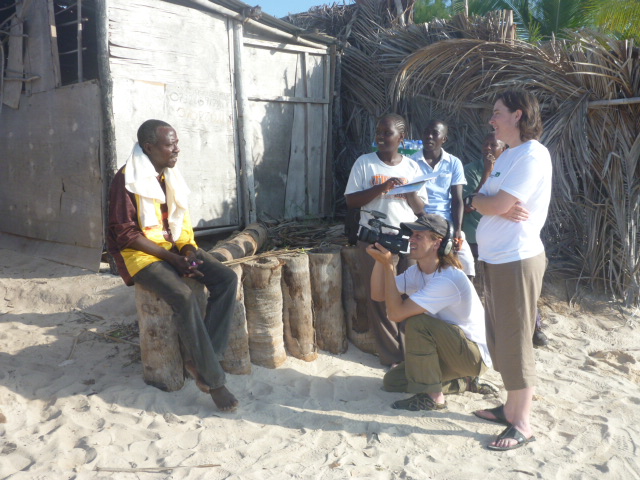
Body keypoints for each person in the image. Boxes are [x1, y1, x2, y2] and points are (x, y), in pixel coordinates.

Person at [107, 119, 239, 412]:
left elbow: (181, 221)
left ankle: (205, 359)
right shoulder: (127, 178)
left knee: (226, 279)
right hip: (142, 256)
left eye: (177, 142)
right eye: (170, 144)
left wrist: (189, 250)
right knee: (183, 295)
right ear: (150, 147)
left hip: (173, 249)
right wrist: (173, 260)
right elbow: (126, 234)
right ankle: (214, 382)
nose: (176, 149)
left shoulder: (170, 175)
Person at [468, 89, 551, 450]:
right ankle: (509, 407)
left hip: (517, 259)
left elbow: (496, 201)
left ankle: (522, 422)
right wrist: (488, 204)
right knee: (502, 337)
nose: (492, 119)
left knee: (516, 340)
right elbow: (479, 201)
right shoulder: (508, 155)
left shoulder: (533, 154)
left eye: (498, 112)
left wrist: (492, 205)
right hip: (499, 259)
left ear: (518, 116)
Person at [366, 214, 495, 411]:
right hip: (450, 350)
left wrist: (388, 266)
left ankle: (433, 397)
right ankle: (464, 382)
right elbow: (378, 294)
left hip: (473, 355)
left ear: (437, 243)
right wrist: (379, 260)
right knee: (393, 381)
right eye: (412, 235)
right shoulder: (418, 271)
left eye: (419, 236)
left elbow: (395, 314)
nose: (411, 239)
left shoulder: (447, 278)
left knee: (417, 323)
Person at [344, 113, 425, 367]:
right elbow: (351, 201)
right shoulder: (365, 163)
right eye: (378, 132)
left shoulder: (412, 167)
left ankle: (413, 351)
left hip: (406, 240)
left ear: (401, 138)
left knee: (410, 295)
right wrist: (383, 187)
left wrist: (410, 191)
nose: (380, 137)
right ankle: (393, 357)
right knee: (379, 299)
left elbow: (421, 209)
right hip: (373, 240)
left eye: (386, 133)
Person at [463, 133, 549, 348]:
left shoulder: (519, 164)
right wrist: (493, 199)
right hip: (476, 238)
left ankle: (535, 328)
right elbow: (469, 201)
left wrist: (492, 204)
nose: (489, 148)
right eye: (486, 143)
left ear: (504, 149)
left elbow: (513, 205)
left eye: (494, 144)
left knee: (520, 300)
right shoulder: (472, 169)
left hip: (512, 248)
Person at [411, 120, 476, 278]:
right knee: (424, 264)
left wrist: (458, 230)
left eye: (435, 133)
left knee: (466, 262)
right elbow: (409, 197)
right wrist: (425, 222)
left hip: (446, 223)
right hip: (419, 219)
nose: (429, 136)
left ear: (444, 139)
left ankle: (463, 297)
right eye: (427, 132)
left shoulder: (454, 163)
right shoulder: (411, 162)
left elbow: (457, 200)